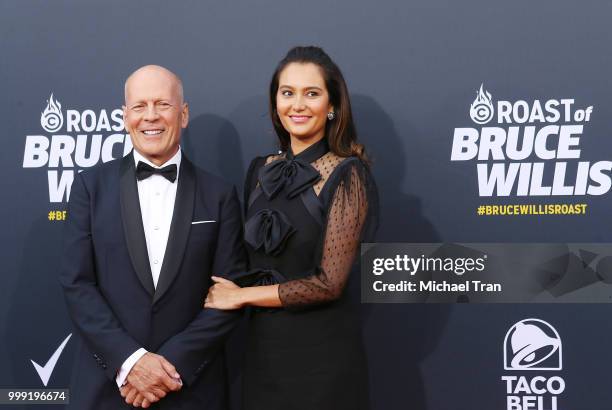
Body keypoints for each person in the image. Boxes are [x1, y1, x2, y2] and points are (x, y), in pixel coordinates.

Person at [60, 65, 246, 409]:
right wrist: (131, 362)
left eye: (163, 105)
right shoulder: (90, 187)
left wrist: (169, 366)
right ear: (124, 116)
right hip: (108, 390)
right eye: (139, 106)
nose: (151, 117)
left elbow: (229, 294)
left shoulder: (219, 195)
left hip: (191, 389)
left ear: (184, 114)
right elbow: (77, 284)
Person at [205, 46, 378, 410]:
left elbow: (329, 283)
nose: (297, 105)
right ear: (275, 103)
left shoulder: (348, 175)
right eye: (288, 93)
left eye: (311, 93)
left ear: (332, 106)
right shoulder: (258, 170)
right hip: (262, 356)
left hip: (323, 363)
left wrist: (242, 296)